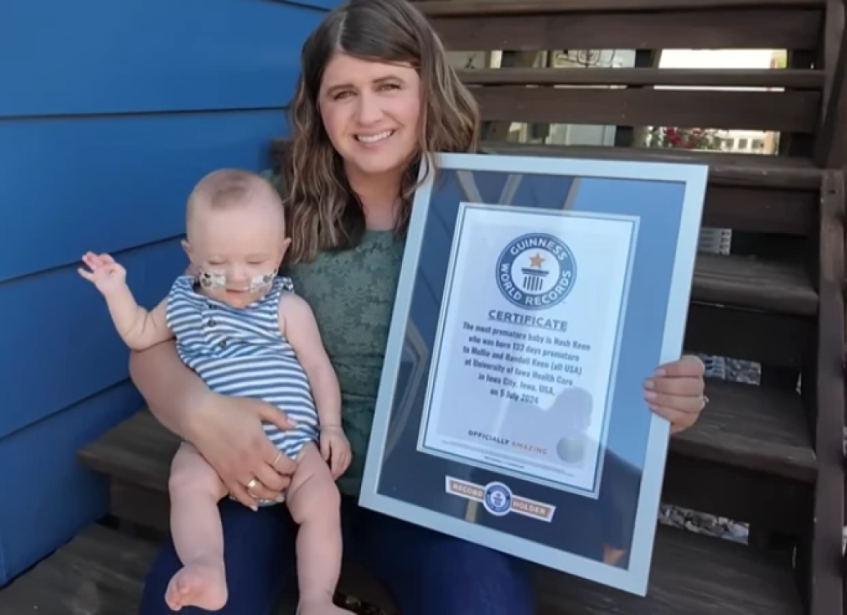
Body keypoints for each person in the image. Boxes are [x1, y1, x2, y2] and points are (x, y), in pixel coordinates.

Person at [132, 1, 709, 613]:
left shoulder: (499, 207)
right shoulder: (268, 210)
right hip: (277, 466)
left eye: (389, 85)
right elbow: (153, 346)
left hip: (437, 494)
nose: (368, 114)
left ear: (428, 87)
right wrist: (201, 412)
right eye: (343, 93)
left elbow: (574, 350)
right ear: (316, 106)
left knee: (483, 602)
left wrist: (656, 399)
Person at [79, 169, 352, 614]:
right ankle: (207, 567)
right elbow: (140, 333)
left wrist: (333, 427)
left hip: (294, 445)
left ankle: (316, 600)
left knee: (322, 502)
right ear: (192, 254)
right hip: (214, 446)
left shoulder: (286, 307)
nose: (237, 278)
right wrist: (115, 291)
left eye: (255, 262)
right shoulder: (184, 303)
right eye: (218, 264)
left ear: (281, 252)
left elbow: (318, 368)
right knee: (187, 482)